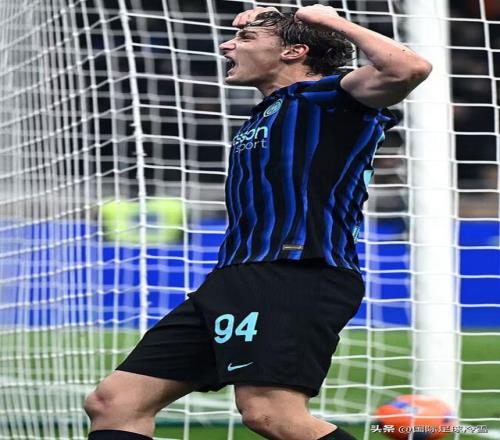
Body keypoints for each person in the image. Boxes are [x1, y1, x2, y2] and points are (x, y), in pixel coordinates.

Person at [84, 5, 431, 440]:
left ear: (295, 51)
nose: (227, 45)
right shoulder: (269, 111)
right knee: (114, 402)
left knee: (272, 414)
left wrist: (323, 18)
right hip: (233, 277)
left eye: (246, 39)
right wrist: (275, 22)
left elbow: (409, 68)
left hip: (296, 272)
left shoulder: (332, 98)